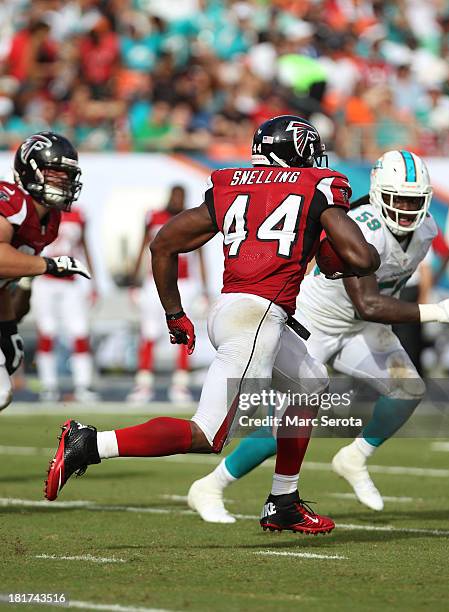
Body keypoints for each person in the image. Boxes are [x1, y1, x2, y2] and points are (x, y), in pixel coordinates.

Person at [45, 114, 379, 535]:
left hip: (233, 309)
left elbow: (163, 243)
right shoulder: (317, 185)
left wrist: (174, 312)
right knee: (208, 433)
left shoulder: (231, 185)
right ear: (296, 153)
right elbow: (364, 259)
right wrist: (341, 252)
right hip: (257, 318)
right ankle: (91, 443)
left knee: (309, 382)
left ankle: (284, 500)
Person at [187, 150, 449, 523]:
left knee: (408, 391)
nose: (406, 209)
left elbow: (376, 305)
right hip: (316, 323)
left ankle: (354, 457)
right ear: (377, 194)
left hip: (361, 328)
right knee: (285, 422)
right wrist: (437, 311)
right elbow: (369, 303)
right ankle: (212, 485)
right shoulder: (362, 227)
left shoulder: (426, 231)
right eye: (398, 198)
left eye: (414, 201)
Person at [0, 131, 91, 412]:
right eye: (55, 173)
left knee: (2, 392)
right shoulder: (13, 201)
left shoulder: (49, 222)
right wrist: (51, 265)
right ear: (30, 170)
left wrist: (7, 327)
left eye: (67, 175)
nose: (63, 181)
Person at [127, 185, 208, 404]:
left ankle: (180, 383)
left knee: (184, 331)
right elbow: (143, 247)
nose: (177, 201)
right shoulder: (153, 216)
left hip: (185, 282)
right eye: (175, 196)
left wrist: (204, 288)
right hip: (155, 281)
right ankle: (143, 383)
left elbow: (200, 254)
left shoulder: (192, 218)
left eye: (181, 197)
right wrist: (133, 281)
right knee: (149, 332)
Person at [31, 208, 98, 403]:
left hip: (70, 282)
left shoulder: (79, 215)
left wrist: (93, 282)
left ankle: (83, 385)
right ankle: (48, 386)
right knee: (47, 332)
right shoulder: (40, 211)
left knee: (80, 332)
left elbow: (85, 247)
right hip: (44, 280)